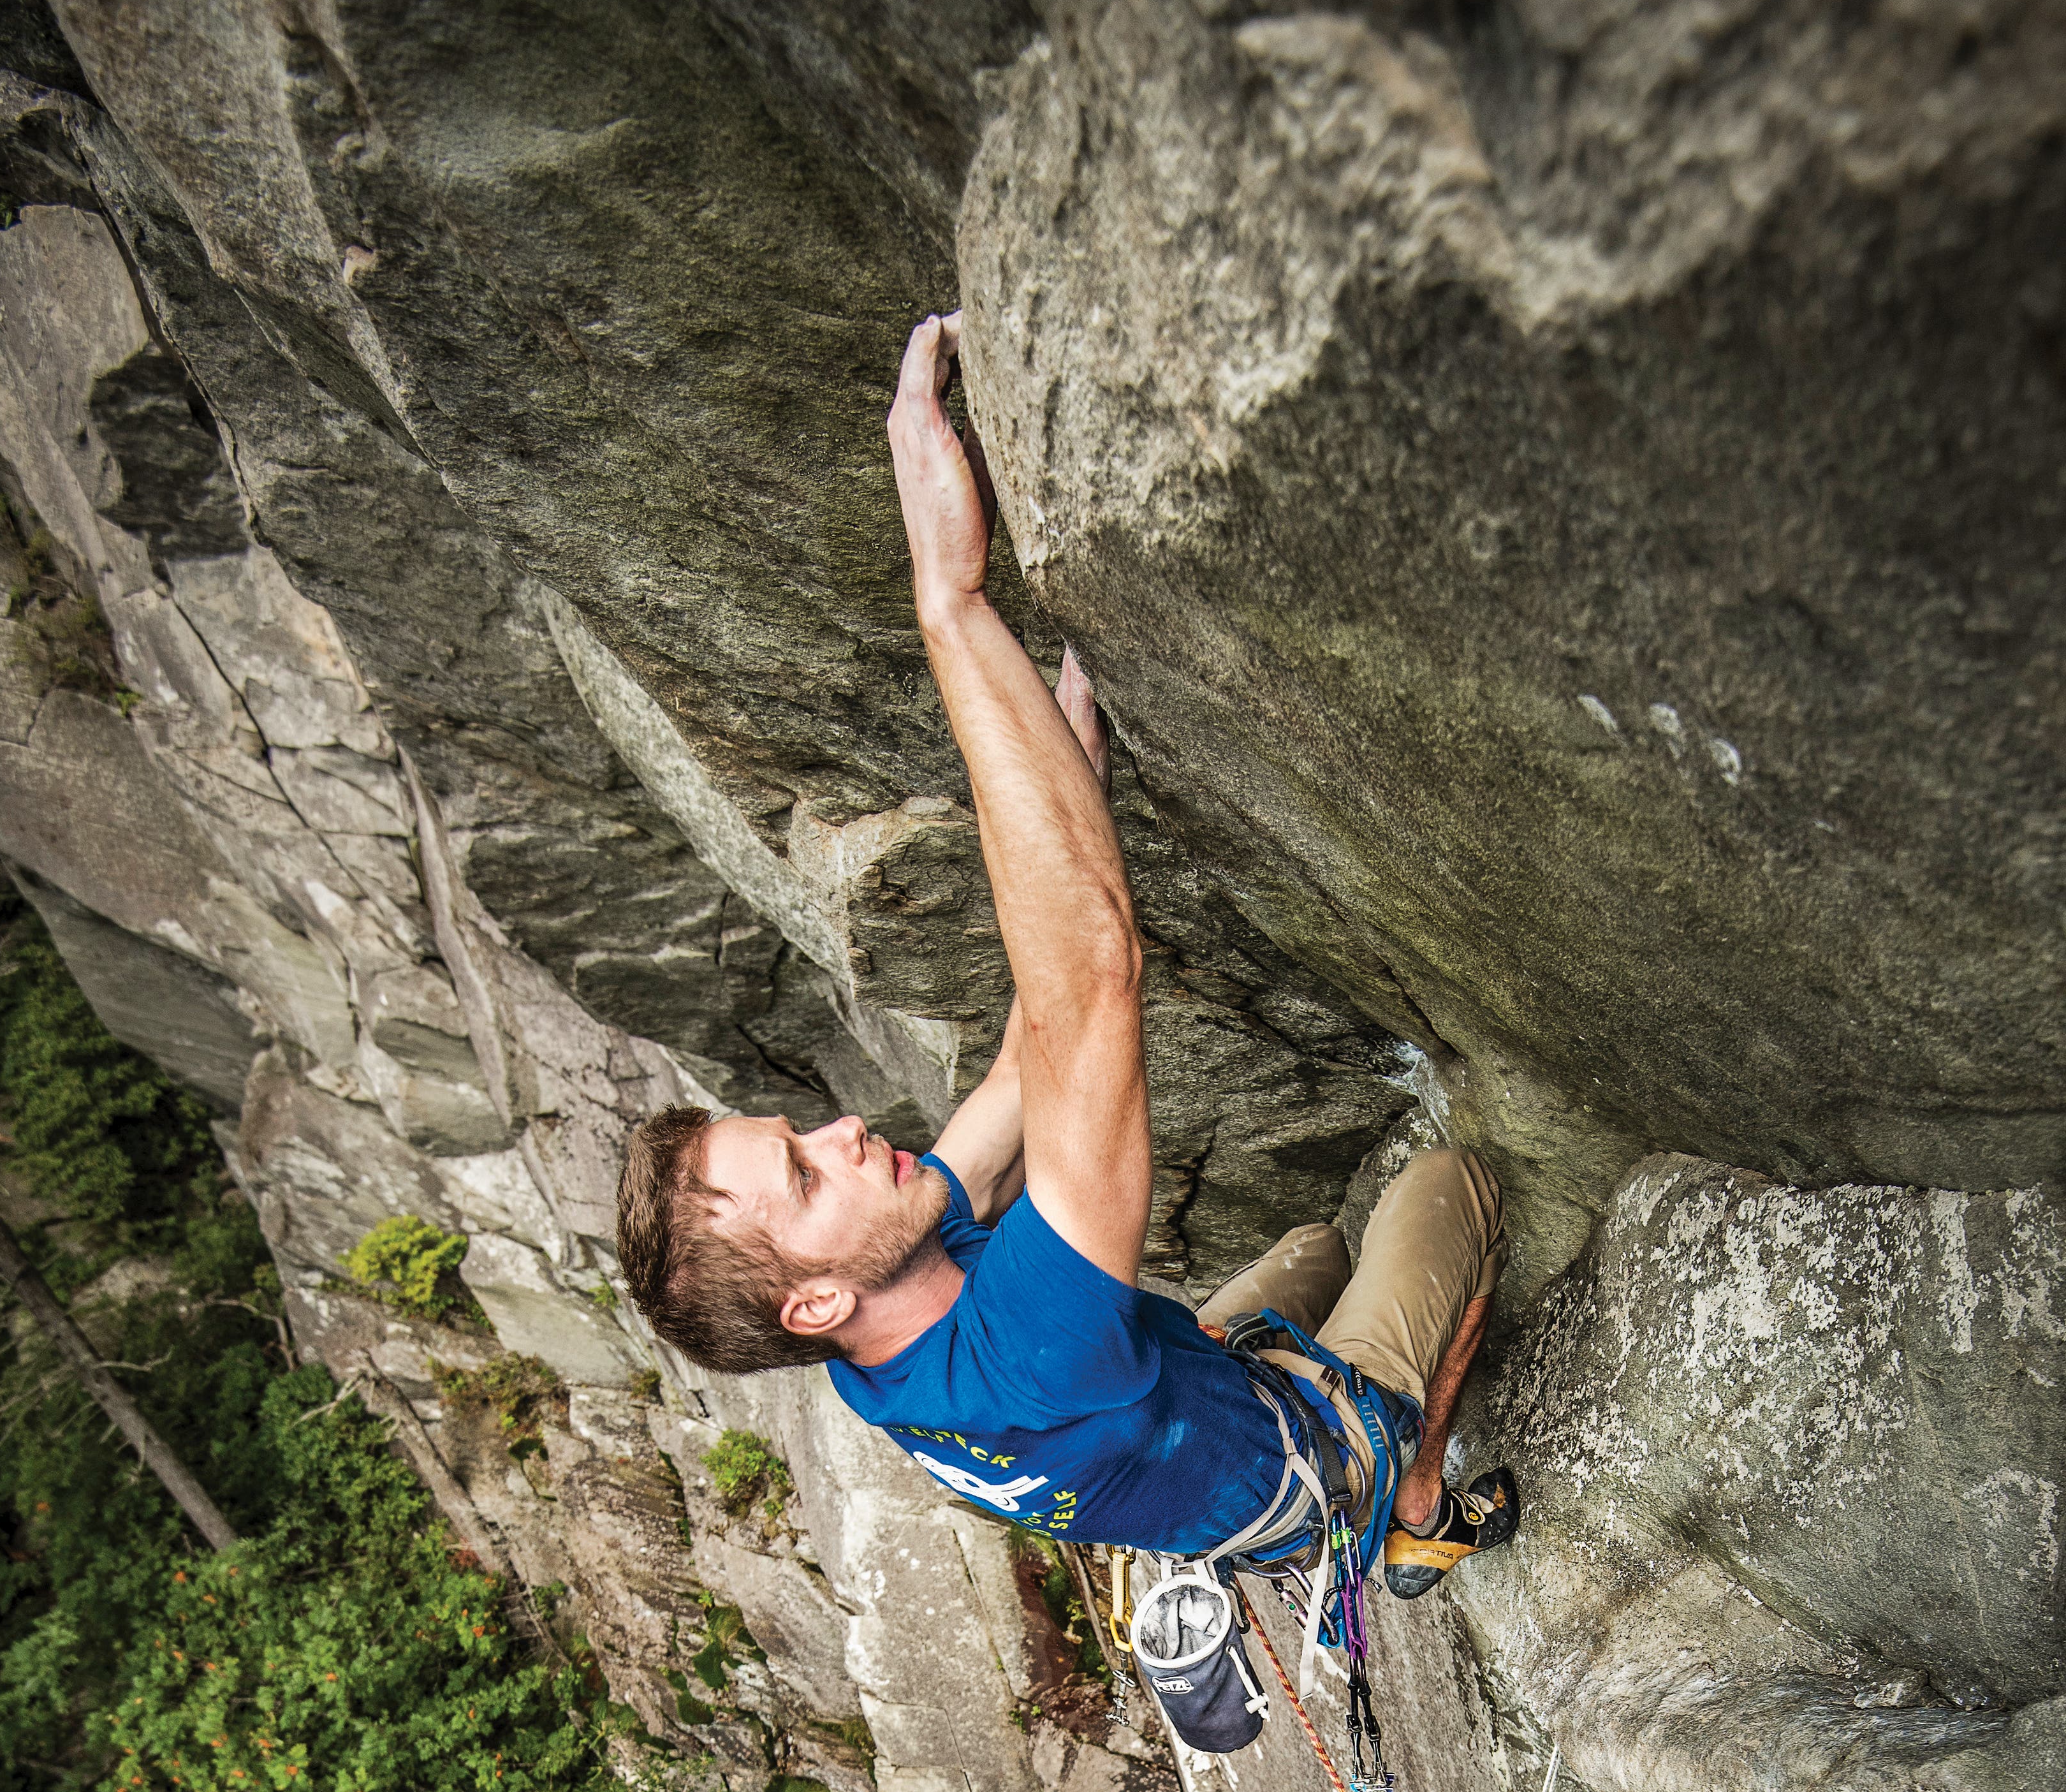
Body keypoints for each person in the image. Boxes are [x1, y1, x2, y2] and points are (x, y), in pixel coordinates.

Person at [615, 313, 1518, 1601]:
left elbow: (1016, 1083)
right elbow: (1091, 985)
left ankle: (1312, 1419)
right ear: (809, 1302)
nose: (845, 1131)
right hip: (1311, 1466)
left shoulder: (881, 1319)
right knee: (1450, 1183)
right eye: (808, 1175)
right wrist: (951, 602)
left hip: (1185, 1401)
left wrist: (1062, 803)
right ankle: (1414, 1504)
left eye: (797, 1131)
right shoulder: (1025, 1347)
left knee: (1317, 1244)